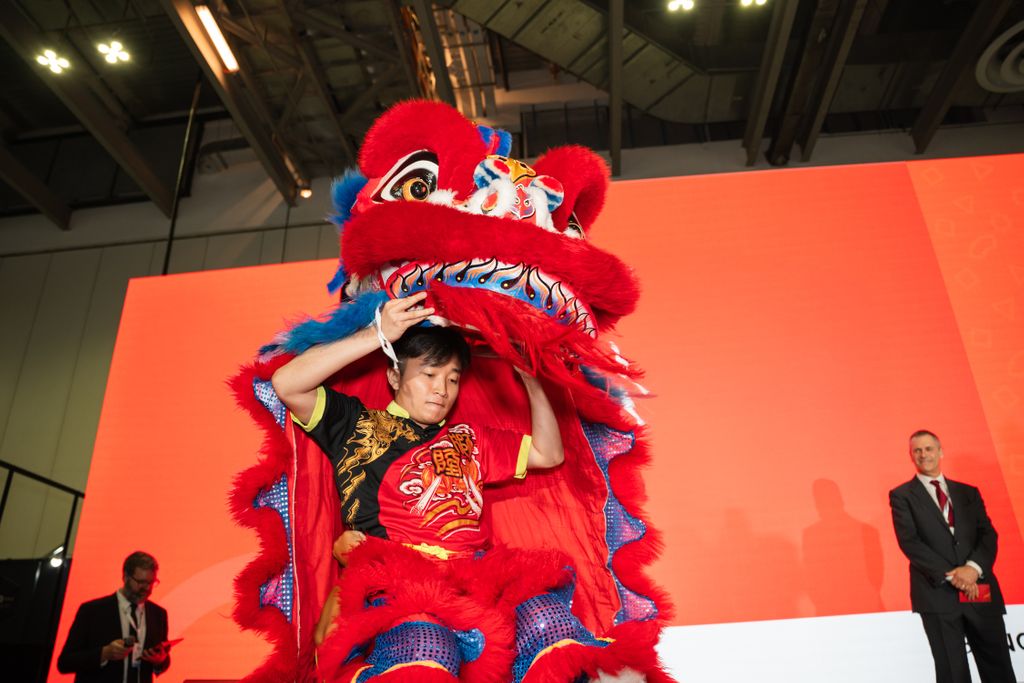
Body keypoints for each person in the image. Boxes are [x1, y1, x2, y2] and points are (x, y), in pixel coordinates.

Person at [889, 430, 1016, 683]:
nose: (924, 454)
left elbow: (987, 534)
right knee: (952, 672)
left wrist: (972, 569)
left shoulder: (969, 492)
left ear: (940, 452)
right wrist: (954, 576)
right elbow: (910, 542)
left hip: (979, 589)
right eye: (917, 450)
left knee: (998, 667)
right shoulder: (902, 496)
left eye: (929, 448)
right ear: (911, 456)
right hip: (938, 595)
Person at [57, 551, 170, 683]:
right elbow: (65, 662)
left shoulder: (158, 614)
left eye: (151, 582)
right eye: (141, 582)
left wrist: (160, 661)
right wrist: (104, 653)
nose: (146, 588)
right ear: (125, 577)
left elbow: (163, 660)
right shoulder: (92, 610)